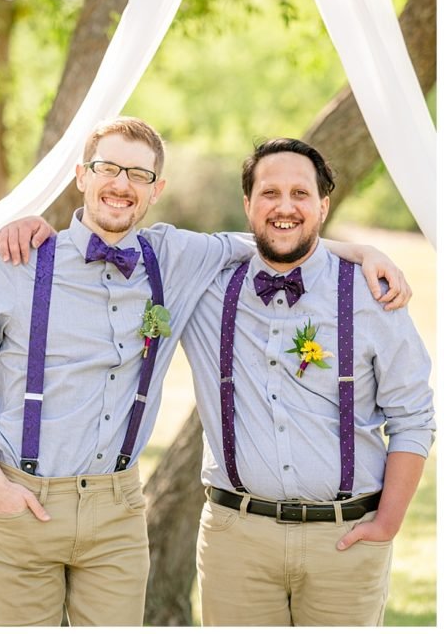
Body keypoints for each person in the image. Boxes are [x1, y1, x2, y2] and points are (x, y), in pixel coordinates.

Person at [0, 117, 408, 626]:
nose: (121, 185)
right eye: (108, 168)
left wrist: (362, 251)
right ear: (81, 175)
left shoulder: (176, 256)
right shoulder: (19, 260)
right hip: (22, 499)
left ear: (156, 190)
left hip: (116, 512)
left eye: (138, 175)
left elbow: (274, 238)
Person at [179, 138, 433, 626]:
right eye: (269, 193)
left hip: (344, 542)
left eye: (300, 193)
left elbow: (413, 415)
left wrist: (387, 522)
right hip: (236, 542)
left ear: (323, 205)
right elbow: (121, 243)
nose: (285, 206)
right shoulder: (205, 286)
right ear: (248, 205)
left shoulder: (372, 293)